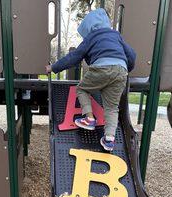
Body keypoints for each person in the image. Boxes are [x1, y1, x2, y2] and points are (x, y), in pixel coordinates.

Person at [46, 8, 136, 151]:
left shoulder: (92, 37)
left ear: (89, 28)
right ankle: (109, 139)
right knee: (112, 107)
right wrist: (125, 69)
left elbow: (74, 57)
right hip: (121, 71)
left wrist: (54, 67)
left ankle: (89, 118)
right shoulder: (116, 35)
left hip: (101, 69)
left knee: (81, 89)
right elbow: (131, 54)